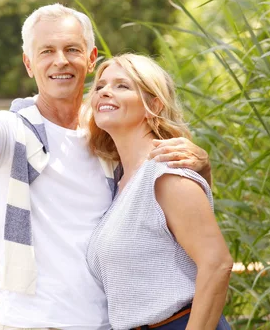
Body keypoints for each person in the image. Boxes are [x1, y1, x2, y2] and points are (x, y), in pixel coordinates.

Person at [0, 4, 213, 330]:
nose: (60, 60)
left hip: (108, 324)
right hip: (32, 323)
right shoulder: (12, 131)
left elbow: (170, 199)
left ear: (91, 59)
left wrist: (200, 165)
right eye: (46, 51)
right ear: (29, 64)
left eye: (71, 49)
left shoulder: (110, 135)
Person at [84, 54, 233, 330]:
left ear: (154, 105)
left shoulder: (167, 173)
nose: (105, 91)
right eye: (100, 86)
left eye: (122, 86)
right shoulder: (121, 181)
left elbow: (217, 264)